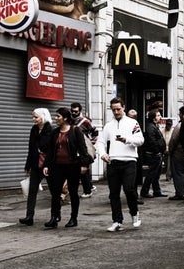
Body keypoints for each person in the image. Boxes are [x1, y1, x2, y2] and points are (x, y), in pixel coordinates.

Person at [95, 98, 145, 232]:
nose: (116, 112)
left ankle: (134, 213)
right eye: (114, 110)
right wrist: (103, 154)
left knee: (129, 190)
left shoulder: (132, 122)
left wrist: (127, 140)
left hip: (129, 161)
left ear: (124, 107)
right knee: (114, 193)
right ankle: (117, 221)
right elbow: (100, 142)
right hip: (113, 161)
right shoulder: (108, 125)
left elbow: (140, 140)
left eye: (118, 109)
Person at [43, 107, 92, 228]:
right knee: (55, 192)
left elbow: (83, 149)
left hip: (73, 166)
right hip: (57, 166)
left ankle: (73, 218)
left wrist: (84, 164)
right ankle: (54, 217)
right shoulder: (55, 132)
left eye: (58, 116)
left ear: (65, 118)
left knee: (73, 192)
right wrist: (46, 165)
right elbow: (50, 151)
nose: (56, 119)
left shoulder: (75, 131)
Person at [19, 108, 53, 226]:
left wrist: (47, 165)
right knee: (32, 191)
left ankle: (55, 216)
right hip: (35, 164)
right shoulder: (34, 129)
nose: (33, 119)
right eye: (33, 117)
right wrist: (27, 165)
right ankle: (29, 216)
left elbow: (48, 148)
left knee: (54, 191)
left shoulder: (50, 130)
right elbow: (31, 148)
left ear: (43, 117)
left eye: (36, 117)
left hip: (47, 165)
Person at [71, 102, 98, 198]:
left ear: (80, 111)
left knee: (83, 169)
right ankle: (89, 187)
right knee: (82, 170)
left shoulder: (85, 121)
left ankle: (88, 190)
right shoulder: (71, 121)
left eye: (76, 112)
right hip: (74, 149)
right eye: (72, 111)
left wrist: (91, 143)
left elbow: (95, 132)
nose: (74, 113)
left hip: (83, 149)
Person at [140, 110, 167, 198]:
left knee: (156, 174)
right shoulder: (151, 127)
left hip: (156, 153)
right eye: (158, 115)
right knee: (152, 173)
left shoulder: (154, 126)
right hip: (153, 154)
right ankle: (145, 191)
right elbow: (152, 140)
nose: (160, 117)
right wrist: (157, 152)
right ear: (153, 117)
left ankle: (157, 191)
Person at [168, 106, 184, 200]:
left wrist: (170, 151)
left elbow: (173, 139)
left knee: (178, 173)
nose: (179, 115)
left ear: (183, 114)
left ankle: (179, 193)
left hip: (178, 152)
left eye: (180, 113)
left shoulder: (180, 125)